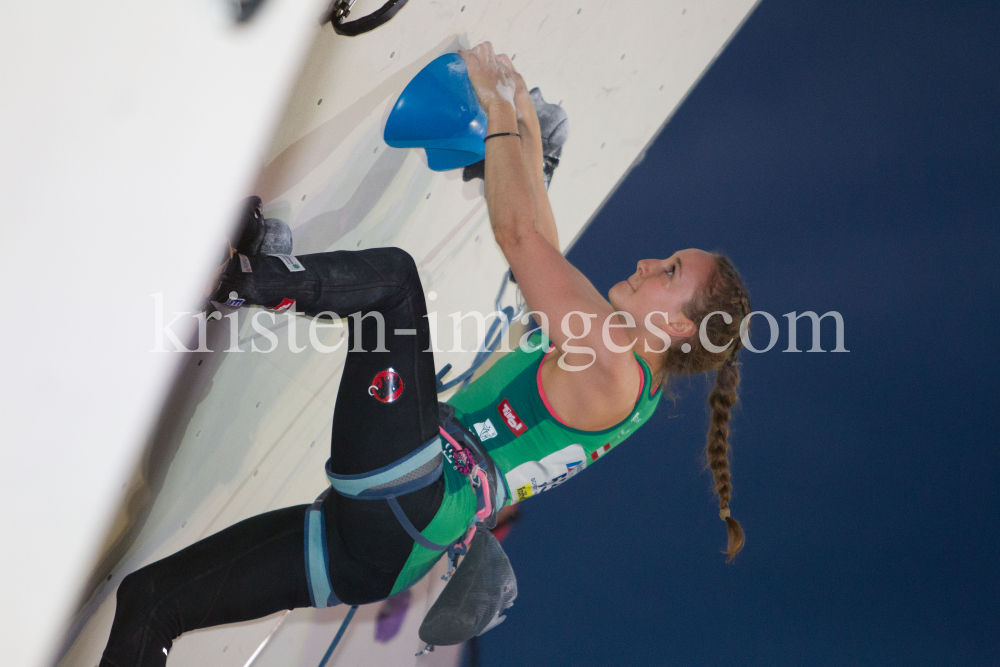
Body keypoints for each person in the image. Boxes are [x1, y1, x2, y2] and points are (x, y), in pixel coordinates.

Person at [98, 42, 751, 667]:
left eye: (669, 272)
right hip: (382, 550)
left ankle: (237, 277)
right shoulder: (623, 371)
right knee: (151, 604)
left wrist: (499, 112)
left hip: (416, 499)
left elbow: (519, 237)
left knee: (393, 288)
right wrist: (520, 118)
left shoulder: (613, 359)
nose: (647, 262)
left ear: (681, 330)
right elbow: (544, 242)